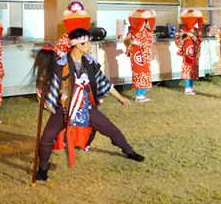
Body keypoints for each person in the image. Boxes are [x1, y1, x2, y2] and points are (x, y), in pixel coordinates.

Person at [34, 28, 144, 182]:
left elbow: (104, 82)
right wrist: (42, 89)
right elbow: (46, 83)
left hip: (85, 108)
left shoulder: (90, 63)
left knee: (111, 129)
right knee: (47, 136)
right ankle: (43, 169)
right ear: (79, 45)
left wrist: (120, 98)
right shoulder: (60, 65)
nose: (90, 46)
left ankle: (130, 152)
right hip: (63, 109)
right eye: (88, 43)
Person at [124, 9, 156, 102]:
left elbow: (149, 43)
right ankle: (138, 95)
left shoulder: (148, 32)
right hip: (136, 56)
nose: (143, 25)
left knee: (146, 74)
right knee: (138, 74)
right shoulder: (131, 32)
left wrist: (139, 43)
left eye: (144, 23)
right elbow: (126, 42)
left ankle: (142, 94)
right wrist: (131, 42)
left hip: (145, 56)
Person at [175, 9, 203, 94]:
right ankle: (187, 88)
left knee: (193, 69)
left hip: (194, 52)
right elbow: (177, 41)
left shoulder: (196, 30)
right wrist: (183, 37)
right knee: (187, 68)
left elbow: (199, 41)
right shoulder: (182, 30)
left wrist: (193, 37)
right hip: (187, 53)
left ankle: (190, 87)